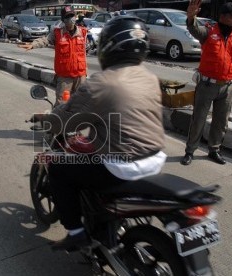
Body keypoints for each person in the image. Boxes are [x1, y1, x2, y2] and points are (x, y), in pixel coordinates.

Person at [31, 16, 166, 251]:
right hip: (155, 159)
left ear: (109, 46)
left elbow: (66, 119)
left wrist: (47, 120)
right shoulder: (150, 77)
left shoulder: (102, 82)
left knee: (57, 166)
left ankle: (76, 232)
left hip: (122, 165)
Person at [180, 0, 232, 166]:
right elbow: (194, 29)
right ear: (223, 17)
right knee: (199, 119)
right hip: (207, 85)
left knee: (221, 121)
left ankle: (214, 150)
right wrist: (191, 17)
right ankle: (190, 151)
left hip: (228, 86)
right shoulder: (208, 32)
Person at [18, 6, 87, 105]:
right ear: (63, 19)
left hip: (80, 77)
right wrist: (33, 44)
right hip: (64, 78)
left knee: (81, 105)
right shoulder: (58, 33)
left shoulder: (83, 32)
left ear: (75, 17)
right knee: (61, 105)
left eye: (72, 16)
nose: (70, 19)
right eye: (67, 17)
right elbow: (45, 40)